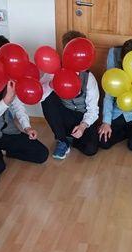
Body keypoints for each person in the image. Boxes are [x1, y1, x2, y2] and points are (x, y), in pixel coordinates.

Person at [0, 36, 49, 165]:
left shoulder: (10, 77)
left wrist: (27, 127)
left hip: (7, 131)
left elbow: (18, 106)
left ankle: (6, 151)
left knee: (41, 154)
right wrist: (5, 101)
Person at [40, 30, 101, 160]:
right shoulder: (54, 70)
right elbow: (39, 96)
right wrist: (51, 84)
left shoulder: (88, 77)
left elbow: (93, 109)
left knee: (90, 150)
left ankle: (72, 138)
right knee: (47, 99)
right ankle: (62, 140)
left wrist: (83, 126)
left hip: (83, 117)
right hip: (65, 115)